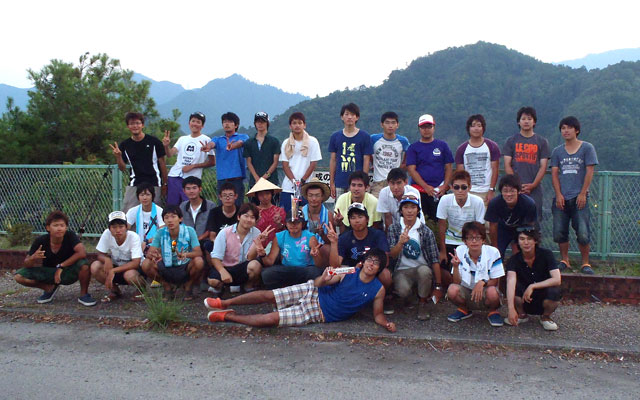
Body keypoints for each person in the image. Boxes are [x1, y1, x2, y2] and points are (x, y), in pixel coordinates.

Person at [204, 248, 396, 333]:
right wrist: (325, 278)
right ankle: (225, 302)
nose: (372, 264)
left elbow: (378, 314)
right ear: (364, 261)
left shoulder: (377, 289)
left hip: (319, 313)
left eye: (376, 263)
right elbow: (320, 283)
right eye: (370, 260)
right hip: (313, 291)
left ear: (380, 269)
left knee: (270, 319)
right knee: (269, 295)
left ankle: (228, 316)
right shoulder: (349, 270)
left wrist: (386, 324)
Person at [14, 210, 97, 306]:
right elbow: (26, 264)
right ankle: (48, 288)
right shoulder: (40, 240)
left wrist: (61, 266)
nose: (59, 228)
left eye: (62, 225)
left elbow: (82, 253)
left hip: (67, 271)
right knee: (18, 276)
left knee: (84, 264)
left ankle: (84, 295)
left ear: (66, 227)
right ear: (48, 227)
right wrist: (33, 258)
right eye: (55, 225)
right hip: (49, 272)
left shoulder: (70, 236)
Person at [550, 116, 598, 275]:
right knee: (559, 231)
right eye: (563, 128)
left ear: (576, 130)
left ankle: (585, 263)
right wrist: (558, 194)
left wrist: (583, 193)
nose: (566, 131)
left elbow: (590, 171)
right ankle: (565, 260)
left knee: (583, 232)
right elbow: (555, 174)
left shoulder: (587, 148)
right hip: (561, 198)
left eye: (569, 128)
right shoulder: (557, 151)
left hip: (579, 197)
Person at [330, 203, 393, 314]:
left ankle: (383, 298)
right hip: (352, 271)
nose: (357, 221)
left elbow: (385, 260)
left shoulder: (378, 235)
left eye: (360, 217)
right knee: (334, 272)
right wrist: (334, 243)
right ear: (349, 221)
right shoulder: (344, 238)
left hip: (372, 269)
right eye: (353, 218)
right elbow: (335, 265)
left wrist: (367, 267)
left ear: (367, 219)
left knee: (386, 274)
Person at [387, 196, 441, 320]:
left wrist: (438, 286)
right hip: (401, 270)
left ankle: (423, 303)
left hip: (420, 268)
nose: (409, 211)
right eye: (406, 207)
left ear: (418, 210)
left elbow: (434, 259)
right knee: (403, 291)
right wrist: (400, 243)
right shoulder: (393, 229)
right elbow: (391, 255)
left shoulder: (426, 231)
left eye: (413, 207)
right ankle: (409, 297)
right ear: (401, 210)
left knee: (425, 271)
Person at [446, 222, 505, 327]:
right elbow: (456, 282)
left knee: (492, 291)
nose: (474, 241)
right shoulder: (460, 250)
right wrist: (455, 267)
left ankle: (493, 311)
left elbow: (495, 280)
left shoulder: (493, 252)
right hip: (467, 289)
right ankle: (464, 309)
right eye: (470, 238)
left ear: (483, 240)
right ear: (465, 241)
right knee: (452, 289)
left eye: (477, 238)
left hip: (485, 291)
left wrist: (482, 282)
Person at [141, 205, 204, 300]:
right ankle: (167, 287)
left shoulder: (189, 231)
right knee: (146, 264)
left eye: (173, 216)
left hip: (185, 264)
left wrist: (185, 254)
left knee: (199, 261)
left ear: (180, 219)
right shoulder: (160, 232)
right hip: (166, 264)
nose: (170, 220)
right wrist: (156, 254)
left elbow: (198, 252)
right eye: (166, 218)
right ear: (163, 220)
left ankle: (188, 286)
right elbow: (150, 252)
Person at [505, 226, 562, 331]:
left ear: (535, 240)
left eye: (529, 239)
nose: (526, 242)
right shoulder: (513, 260)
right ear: (517, 241)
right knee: (511, 286)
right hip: (524, 299)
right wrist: (510, 309)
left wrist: (533, 286)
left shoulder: (547, 254)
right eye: (522, 239)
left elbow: (557, 279)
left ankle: (545, 317)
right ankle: (521, 315)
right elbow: (510, 281)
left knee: (555, 290)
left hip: (543, 295)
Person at [110, 112, 168, 212]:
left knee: (155, 214)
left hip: (154, 182)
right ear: (128, 126)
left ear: (142, 125)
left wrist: (165, 183)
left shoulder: (154, 142)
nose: (135, 126)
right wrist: (118, 157)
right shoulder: (125, 145)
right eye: (132, 123)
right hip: (135, 183)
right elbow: (122, 168)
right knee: (127, 213)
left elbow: (162, 163)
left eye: (137, 123)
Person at [207, 203, 269, 295]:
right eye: (246, 216)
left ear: (255, 220)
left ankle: (248, 287)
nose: (248, 220)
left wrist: (258, 242)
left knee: (255, 265)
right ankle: (221, 287)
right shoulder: (224, 232)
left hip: (242, 267)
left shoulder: (256, 232)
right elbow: (215, 257)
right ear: (239, 217)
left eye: (252, 217)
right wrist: (223, 271)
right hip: (226, 266)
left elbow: (250, 258)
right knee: (213, 282)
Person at [502, 106, 550, 221]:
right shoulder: (511, 141)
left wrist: (533, 185)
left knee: (534, 221)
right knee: (514, 220)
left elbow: (543, 166)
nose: (526, 121)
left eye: (529, 118)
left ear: (534, 122)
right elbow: (507, 164)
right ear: (519, 122)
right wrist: (517, 185)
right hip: (514, 189)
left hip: (535, 189)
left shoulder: (542, 142)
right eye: (523, 119)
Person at [260, 208, 324, 289]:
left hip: (305, 269)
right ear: (286, 223)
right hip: (286, 269)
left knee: (314, 272)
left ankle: (294, 286)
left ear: (302, 224)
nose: (293, 225)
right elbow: (269, 262)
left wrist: (315, 256)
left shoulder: (310, 237)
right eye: (290, 222)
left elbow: (320, 264)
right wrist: (262, 254)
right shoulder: (279, 236)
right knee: (267, 274)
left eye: (297, 223)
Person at [406, 114, 454, 222]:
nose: (426, 130)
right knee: (421, 221)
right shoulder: (413, 148)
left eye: (429, 126)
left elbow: (449, 167)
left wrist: (445, 186)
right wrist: (425, 186)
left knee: (440, 221)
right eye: (423, 127)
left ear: (434, 127)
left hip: (439, 191)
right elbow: (411, 170)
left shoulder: (443, 145)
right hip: (419, 191)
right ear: (419, 128)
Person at [91, 211, 145, 302]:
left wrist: (113, 270)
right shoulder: (106, 234)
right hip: (116, 266)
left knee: (130, 275)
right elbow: (100, 254)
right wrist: (106, 259)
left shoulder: (133, 237)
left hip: (132, 269)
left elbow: (136, 262)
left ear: (126, 227)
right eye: (114, 227)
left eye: (121, 226)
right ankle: (115, 290)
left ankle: (142, 289)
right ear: (109, 228)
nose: (118, 230)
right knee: (95, 266)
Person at [163, 111, 215, 206]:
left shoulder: (206, 140)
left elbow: (212, 162)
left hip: (192, 180)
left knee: (188, 206)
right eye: (193, 121)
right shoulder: (182, 139)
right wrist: (166, 146)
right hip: (174, 176)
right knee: (172, 206)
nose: (195, 124)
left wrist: (193, 166)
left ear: (202, 126)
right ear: (189, 123)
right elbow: (170, 154)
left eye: (198, 122)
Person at [436, 170, 485, 268]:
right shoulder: (445, 200)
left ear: (470, 187)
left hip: (471, 242)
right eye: (456, 187)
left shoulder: (478, 202)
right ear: (451, 188)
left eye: (464, 187)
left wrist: (474, 245)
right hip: (450, 241)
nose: (460, 191)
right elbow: (441, 225)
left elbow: (480, 228)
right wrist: (443, 251)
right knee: (442, 265)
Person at [485, 174, 538, 259]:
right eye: (505, 191)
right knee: (497, 254)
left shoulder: (529, 204)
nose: (509, 194)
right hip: (502, 229)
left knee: (523, 254)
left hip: (521, 228)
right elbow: (493, 226)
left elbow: (530, 227)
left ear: (519, 191)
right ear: (501, 192)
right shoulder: (494, 203)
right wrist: (495, 247)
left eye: (512, 191)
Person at [202, 112, 249, 207]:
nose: (226, 124)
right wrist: (208, 147)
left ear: (236, 125)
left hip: (237, 179)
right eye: (224, 122)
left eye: (230, 122)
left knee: (237, 206)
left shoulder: (243, 137)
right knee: (222, 207)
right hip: (222, 180)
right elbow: (212, 144)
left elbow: (241, 143)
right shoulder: (218, 139)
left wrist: (233, 146)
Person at [279, 112, 322, 212]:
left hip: (307, 187)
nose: (297, 125)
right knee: (290, 216)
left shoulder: (313, 141)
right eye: (294, 123)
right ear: (290, 126)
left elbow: (313, 164)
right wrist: (294, 181)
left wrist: (302, 180)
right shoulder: (286, 143)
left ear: (304, 125)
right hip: (288, 187)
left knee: (307, 215)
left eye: (300, 123)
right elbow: (285, 165)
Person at [328, 103, 373, 199]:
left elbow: (366, 160)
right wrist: (332, 182)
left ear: (357, 117)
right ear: (342, 117)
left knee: (357, 209)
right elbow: (333, 160)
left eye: (353, 115)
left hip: (357, 184)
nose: (349, 117)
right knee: (340, 209)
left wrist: (364, 182)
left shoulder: (364, 136)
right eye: (347, 114)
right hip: (340, 181)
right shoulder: (335, 137)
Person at [455, 114, 501, 206]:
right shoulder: (462, 149)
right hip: (468, 191)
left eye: (479, 126)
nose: (476, 128)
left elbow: (495, 169)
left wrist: (491, 190)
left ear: (483, 128)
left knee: (485, 219)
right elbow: (460, 172)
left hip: (486, 192)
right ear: (468, 128)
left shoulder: (492, 146)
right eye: (473, 125)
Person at [244, 112, 281, 205]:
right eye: (258, 122)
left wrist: (265, 176)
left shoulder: (274, 141)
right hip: (254, 182)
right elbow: (248, 162)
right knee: (254, 209)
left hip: (271, 182)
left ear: (267, 123)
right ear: (255, 124)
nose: (260, 124)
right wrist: (256, 178)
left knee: (272, 209)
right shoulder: (249, 142)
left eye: (263, 122)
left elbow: (275, 162)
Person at [370, 111, 409, 197]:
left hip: (396, 182)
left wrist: (402, 167)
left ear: (397, 125)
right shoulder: (374, 139)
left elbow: (408, 154)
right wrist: (373, 162)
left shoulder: (403, 141)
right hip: (378, 182)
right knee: (376, 208)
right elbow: (367, 153)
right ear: (382, 124)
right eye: (387, 123)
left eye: (393, 123)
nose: (390, 126)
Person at [180, 177, 216, 267]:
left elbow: (211, 228)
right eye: (188, 188)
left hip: (204, 240)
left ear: (200, 189)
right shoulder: (182, 206)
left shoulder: (211, 205)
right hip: (186, 241)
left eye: (194, 188)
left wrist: (197, 239)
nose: (191, 191)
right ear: (184, 191)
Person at [246, 178, 286, 247]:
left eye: (267, 194)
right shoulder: (253, 211)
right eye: (261, 195)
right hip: (256, 245)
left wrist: (279, 224)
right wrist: (256, 222)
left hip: (276, 245)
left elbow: (285, 231)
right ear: (257, 196)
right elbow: (247, 229)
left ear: (271, 194)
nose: (265, 197)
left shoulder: (279, 211)